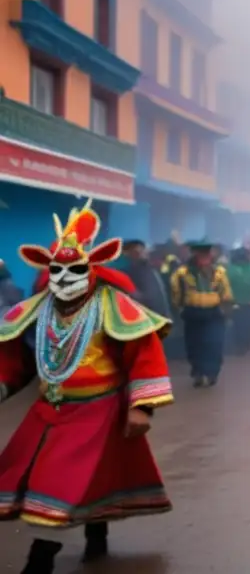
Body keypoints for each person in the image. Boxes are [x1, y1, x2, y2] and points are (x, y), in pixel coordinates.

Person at [0, 201, 173, 574]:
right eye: (56, 268)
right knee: (46, 475)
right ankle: (97, 534)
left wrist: (142, 405)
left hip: (98, 409)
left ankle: (39, 560)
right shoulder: (37, 308)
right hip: (49, 410)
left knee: (60, 481)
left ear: (93, 267)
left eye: (75, 268)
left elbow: (143, 353)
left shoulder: (113, 305)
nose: (64, 277)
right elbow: (19, 359)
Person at [170, 240, 233, 387]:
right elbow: (176, 292)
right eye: (201, 254)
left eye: (207, 254)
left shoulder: (219, 272)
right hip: (193, 313)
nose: (205, 257)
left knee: (214, 344)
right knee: (194, 345)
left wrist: (227, 311)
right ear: (194, 255)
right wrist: (180, 309)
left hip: (214, 313)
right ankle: (198, 372)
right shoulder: (182, 273)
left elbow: (226, 293)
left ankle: (212, 373)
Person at [226, 245, 250, 355]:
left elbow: (226, 284)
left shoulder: (231, 268)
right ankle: (245, 345)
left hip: (235, 302)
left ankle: (239, 346)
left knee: (237, 325)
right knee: (247, 324)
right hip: (249, 301)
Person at [120, 240, 171, 317]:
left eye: (141, 250)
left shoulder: (152, 269)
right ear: (127, 253)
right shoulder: (126, 273)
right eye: (134, 251)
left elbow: (161, 296)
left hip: (160, 318)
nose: (139, 253)